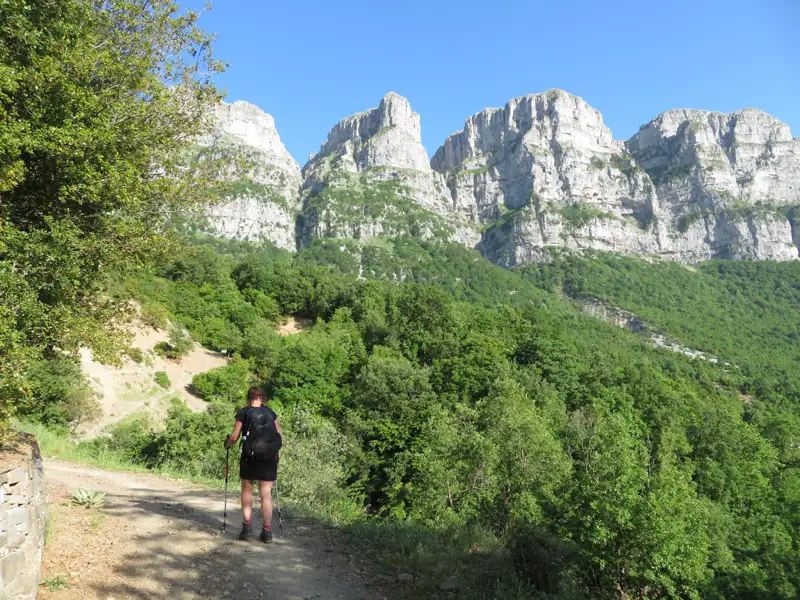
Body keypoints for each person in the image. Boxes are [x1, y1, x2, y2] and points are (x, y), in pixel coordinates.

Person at [224, 386, 282, 543]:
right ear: (262, 398)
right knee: (266, 494)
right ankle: (267, 532)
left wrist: (228, 444)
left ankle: (246, 527)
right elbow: (280, 435)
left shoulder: (243, 412)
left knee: (247, 489)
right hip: (269, 458)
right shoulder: (271, 413)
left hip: (249, 457)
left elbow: (235, 437)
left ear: (249, 398)